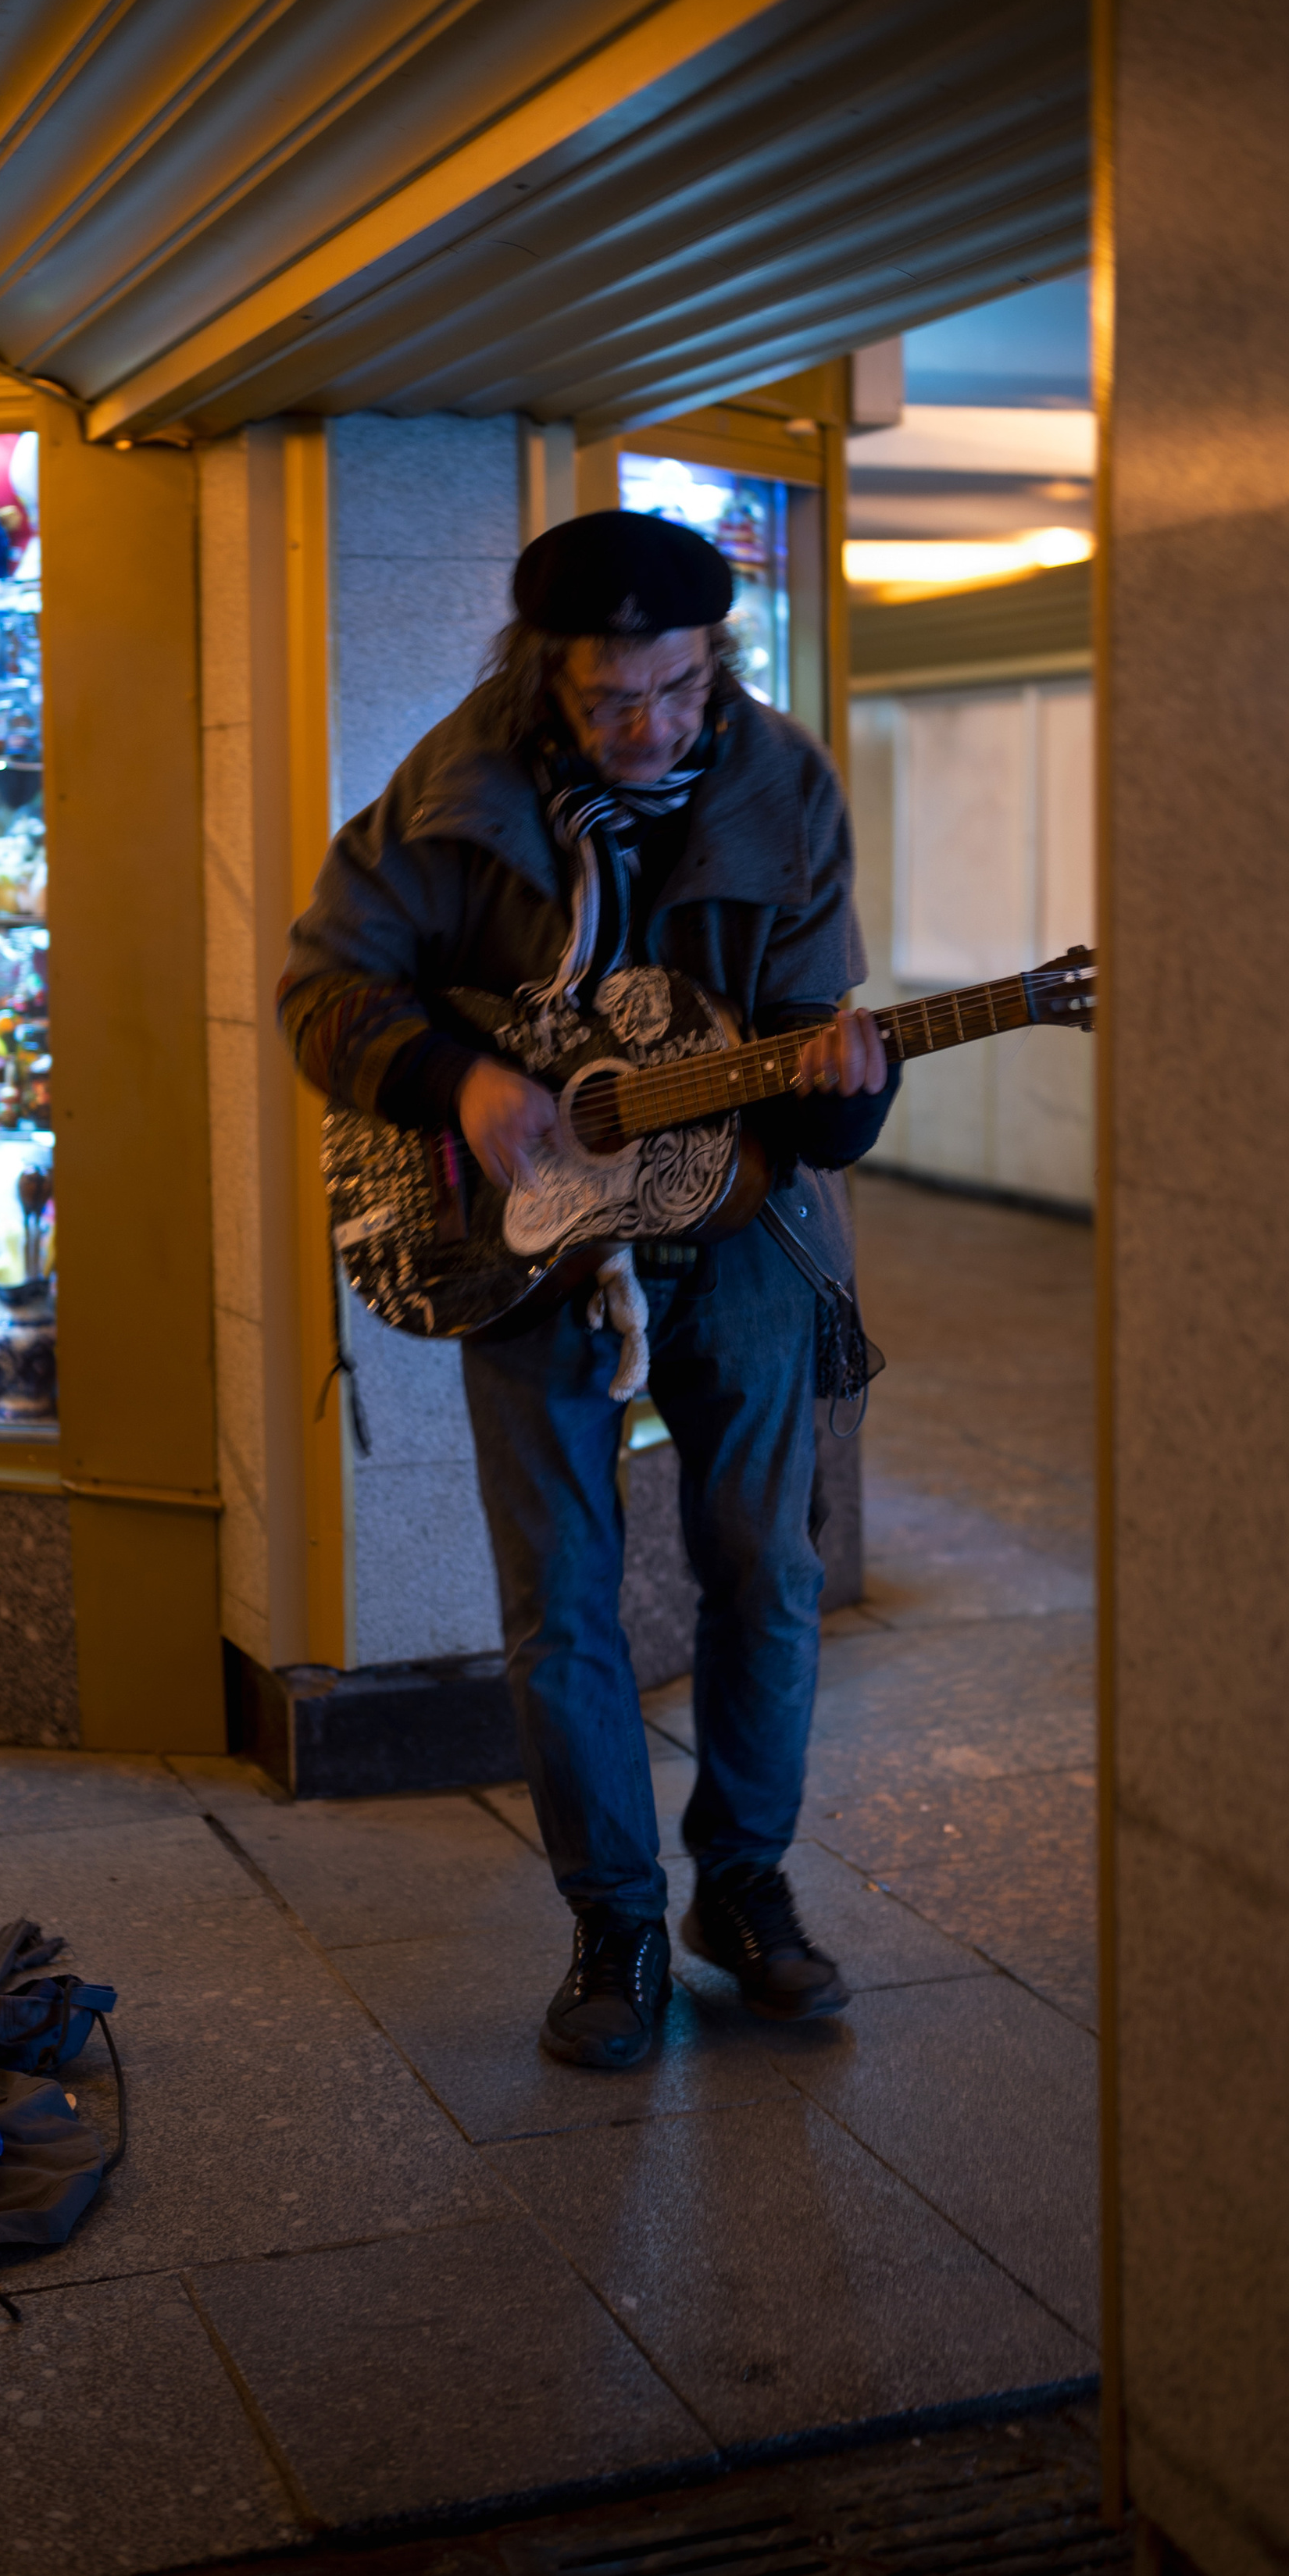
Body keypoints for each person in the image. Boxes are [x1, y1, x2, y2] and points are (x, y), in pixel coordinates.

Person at [279, 509, 898, 2068]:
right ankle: (612, 1921)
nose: (649, 728)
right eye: (610, 700)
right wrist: (456, 1085)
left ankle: (742, 1890)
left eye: (679, 690)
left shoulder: (783, 786)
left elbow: (816, 1059)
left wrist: (839, 1086)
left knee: (768, 1568)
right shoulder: (451, 791)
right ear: (543, 673)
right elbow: (321, 988)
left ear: (714, 663)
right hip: (524, 1239)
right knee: (560, 1602)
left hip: (741, 1221)